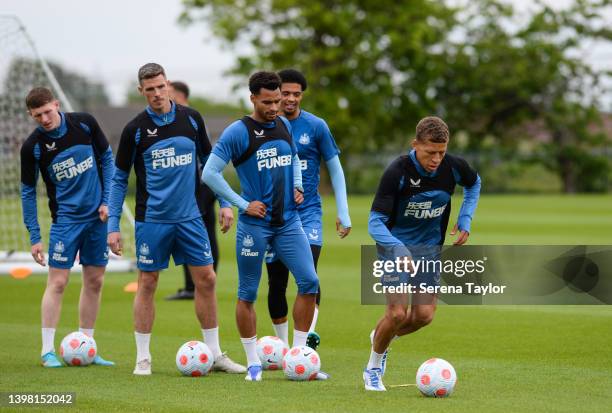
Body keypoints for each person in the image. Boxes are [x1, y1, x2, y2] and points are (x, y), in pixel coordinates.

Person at [107, 63, 244, 375]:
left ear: (167, 84)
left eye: (160, 86)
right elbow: (117, 180)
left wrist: (224, 202)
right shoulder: (135, 129)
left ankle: (215, 353)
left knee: (206, 279)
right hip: (152, 220)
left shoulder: (191, 118)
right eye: (150, 89)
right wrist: (113, 226)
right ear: (141, 91)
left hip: (191, 217)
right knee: (148, 282)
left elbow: (211, 162)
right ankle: (143, 357)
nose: (157, 94)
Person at [202, 71, 319, 382]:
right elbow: (210, 174)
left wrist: (297, 184)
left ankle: (298, 357)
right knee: (248, 293)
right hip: (255, 226)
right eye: (267, 102)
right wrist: (242, 204)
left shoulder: (282, 124)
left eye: (277, 100)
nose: (274, 107)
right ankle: (253, 363)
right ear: (252, 98)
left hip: (289, 222)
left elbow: (294, 157)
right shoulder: (237, 133)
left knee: (309, 282)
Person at [363, 116, 481, 391]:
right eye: (430, 152)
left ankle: (381, 336)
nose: (437, 158)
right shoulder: (397, 172)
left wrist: (465, 218)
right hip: (394, 247)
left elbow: (474, 183)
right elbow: (374, 222)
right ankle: (372, 369)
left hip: (428, 251)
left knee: (424, 316)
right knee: (396, 314)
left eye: (441, 152)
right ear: (415, 144)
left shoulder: (453, 166)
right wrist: (398, 248)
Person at [20, 87, 115, 367]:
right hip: (65, 222)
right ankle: (47, 351)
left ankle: (88, 347)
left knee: (95, 281)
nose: (45, 119)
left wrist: (107, 201)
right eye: (38, 115)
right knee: (58, 282)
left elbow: (108, 160)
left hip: (97, 219)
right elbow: (27, 192)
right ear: (31, 115)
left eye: (48, 112)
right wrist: (35, 237)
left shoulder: (85, 123)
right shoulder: (33, 147)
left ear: (56, 105)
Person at [264, 69, 351, 349]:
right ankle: (282, 346)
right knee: (277, 281)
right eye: (285, 93)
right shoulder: (264, 126)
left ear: (302, 95)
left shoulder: (316, 126)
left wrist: (344, 211)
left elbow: (335, 169)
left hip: (308, 212)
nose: (290, 99)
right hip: (274, 215)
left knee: (308, 276)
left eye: (296, 94)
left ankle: (304, 345)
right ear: (277, 93)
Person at [165, 80, 225, 300]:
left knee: (196, 232)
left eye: (170, 94)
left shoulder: (190, 118)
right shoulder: (179, 118)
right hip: (198, 185)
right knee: (203, 231)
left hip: (200, 184)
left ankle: (197, 286)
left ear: (182, 97)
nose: (166, 98)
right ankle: (197, 284)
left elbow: (204, 156)